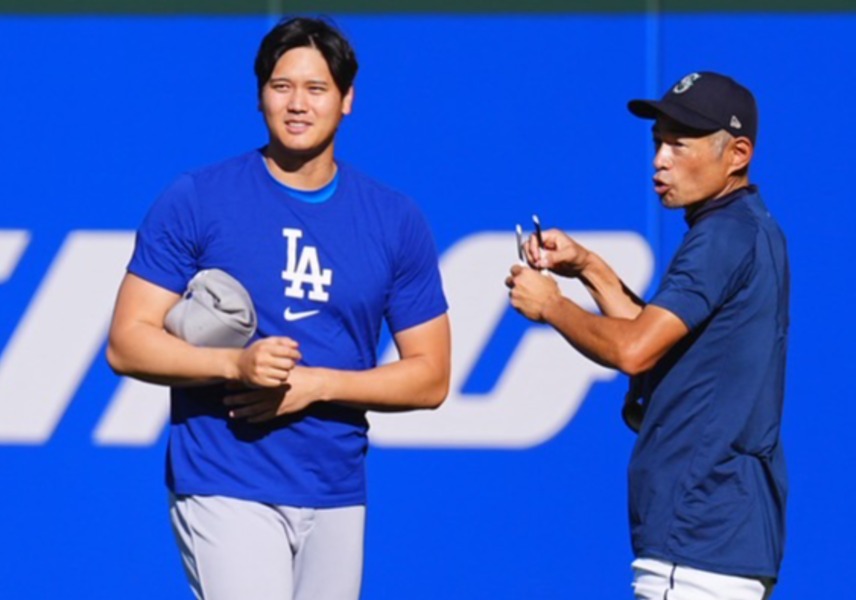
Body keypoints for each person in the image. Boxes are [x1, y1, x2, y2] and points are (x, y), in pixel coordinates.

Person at [107, 16, 451, 600]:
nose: (297, 104)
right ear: (260, 94)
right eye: (280, 86)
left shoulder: (395, 220)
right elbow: (127, 340)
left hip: (336, 483)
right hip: (225, 476)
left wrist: (317, 384)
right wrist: (233, 367)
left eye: (316, 89)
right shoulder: (199, 197)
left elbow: (430, 376)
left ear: (347, 100)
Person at [506, 71, 788, 599]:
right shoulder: (742, 226)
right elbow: (657, 342)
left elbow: (634, 351)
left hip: (696, 541)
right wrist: (587, 266)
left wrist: (552, 306)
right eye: (658, 143)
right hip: (722, 538)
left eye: (679, 146)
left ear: (738, 153)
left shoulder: (723, 235)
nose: (660, 159)